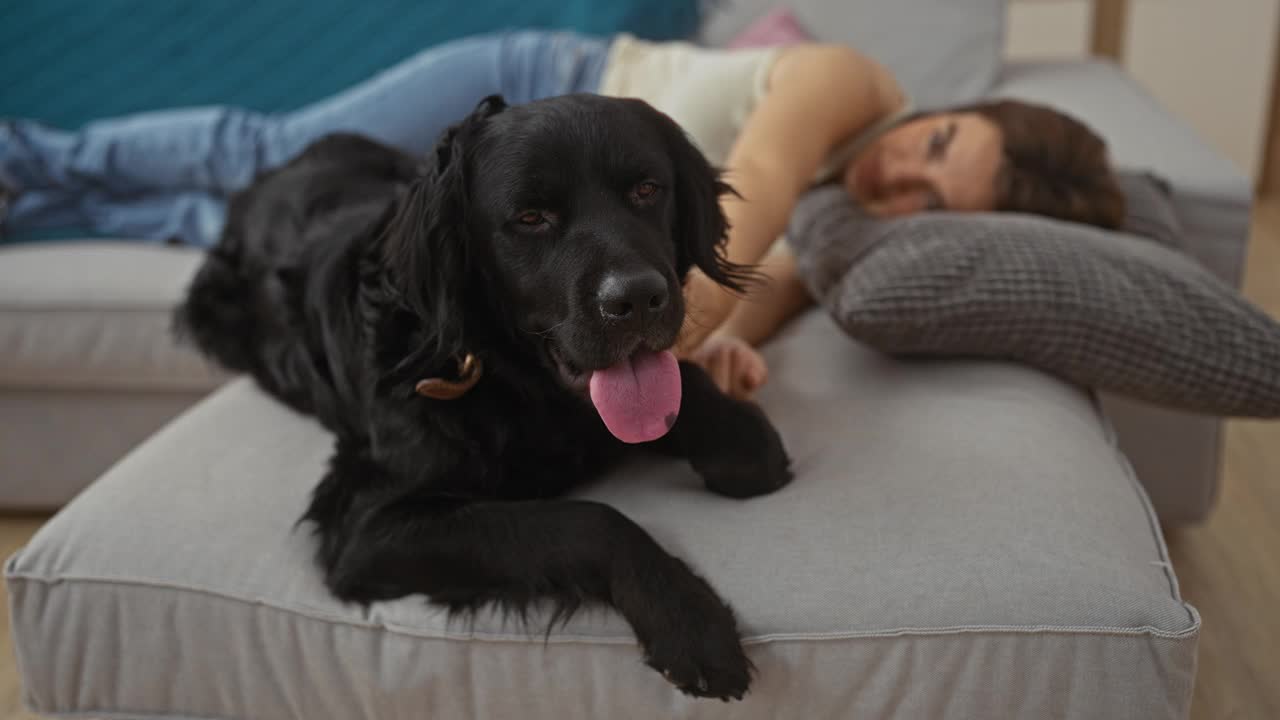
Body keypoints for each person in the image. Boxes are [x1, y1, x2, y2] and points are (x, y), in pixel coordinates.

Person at [0, 29, 1125, 395]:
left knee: (252, 210)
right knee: (267, 147)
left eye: (932, 198)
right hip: (547, 91)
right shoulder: (850, 82)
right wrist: (677, 320)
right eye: (936, 146)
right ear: (952, 107)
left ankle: (41, 200)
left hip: (557, 222)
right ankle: (26, 152)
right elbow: (750, 201)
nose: (901, 180)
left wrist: (719, 349)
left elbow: (762, 281)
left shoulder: (857, 227)